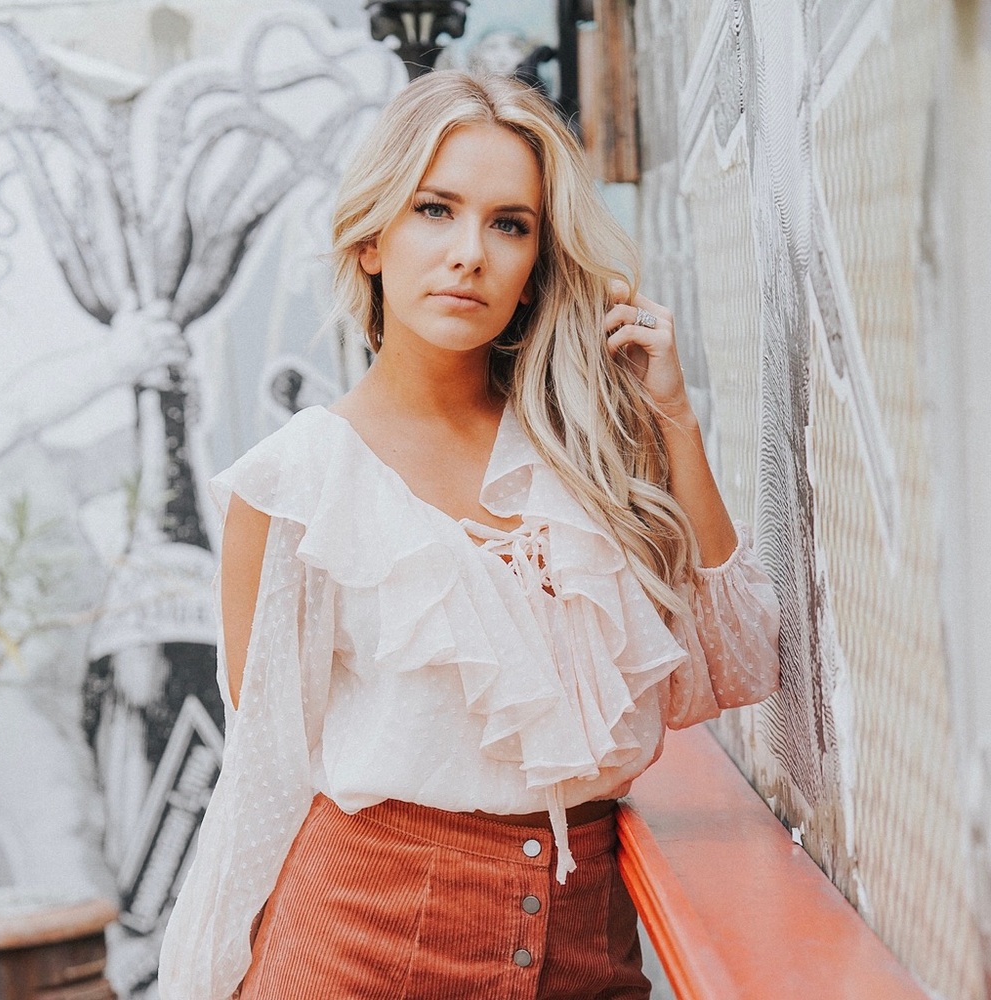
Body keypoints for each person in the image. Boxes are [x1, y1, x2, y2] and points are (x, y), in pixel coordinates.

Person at [158, 71, 780, 1000]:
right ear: (372, 239)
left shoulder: (583, 456)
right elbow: (264, 777)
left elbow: (734, 663)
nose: (469, 254)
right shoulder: (296, 486)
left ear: (537, 259)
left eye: (509, 223)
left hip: (581, 947)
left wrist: (673, 421)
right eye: (435, 210)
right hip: (359, 947)